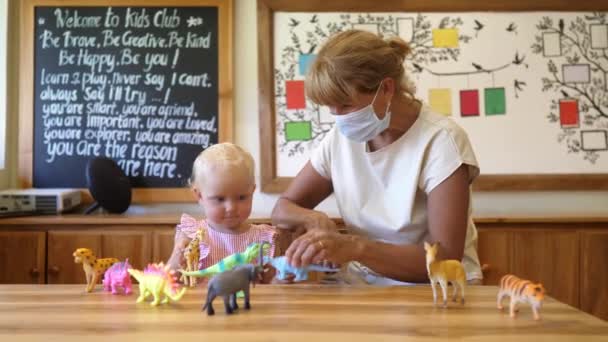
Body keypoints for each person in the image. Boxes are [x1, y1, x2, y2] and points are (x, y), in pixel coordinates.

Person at [271, 29, 483, 285]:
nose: (338, 117)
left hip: (436, 289)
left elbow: (445, 258)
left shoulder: (442, 142)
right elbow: (282, 208)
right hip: (363, 285)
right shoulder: (339, 139)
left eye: (345, 105)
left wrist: (355, 248)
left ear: (386, 89)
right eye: (330, 107)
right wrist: (313, 218)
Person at [166, 143, 278, 282]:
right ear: (199, 196)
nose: (231, 207)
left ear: (252, 191)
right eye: (219, 199)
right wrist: (178, 256)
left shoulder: (263, 238)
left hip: (249, 303)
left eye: (241, 197)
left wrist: (283, 279)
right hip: (203, 302)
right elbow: (169, 277)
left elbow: (272, 284)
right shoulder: (192, 234)